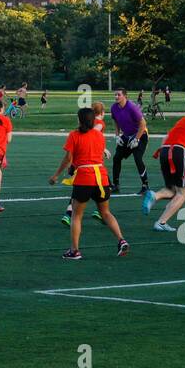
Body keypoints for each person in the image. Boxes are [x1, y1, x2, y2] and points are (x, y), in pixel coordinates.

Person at [52, 107, 129, 260]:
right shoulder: (99, 135)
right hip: (101, 177)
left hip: (84, 178)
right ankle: (121, 240)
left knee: (76, 215)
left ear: (79, 120)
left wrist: (56, 175)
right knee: (105, 213)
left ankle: (74, 251)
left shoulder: (74, 135)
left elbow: (68, 158)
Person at [143, 97, 185, 230]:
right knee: (183, 192)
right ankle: (161, 222)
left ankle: (155, 196)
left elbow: (166, 138)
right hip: (179, 151)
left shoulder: (184, 119)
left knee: (172, 189)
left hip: (164, 150)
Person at [109, 88, 149, 194]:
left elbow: (143, 124)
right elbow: (116, 122)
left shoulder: (132, 107)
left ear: (125, 96)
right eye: (115, 95)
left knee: (137, 158)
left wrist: (137, 139)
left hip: (140, 134)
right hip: (126, 136)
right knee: (117, 157)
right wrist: (117, 136)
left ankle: (145, 185)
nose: (116, 97)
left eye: (119, 95)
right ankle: (116, 185)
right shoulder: (114, 107)